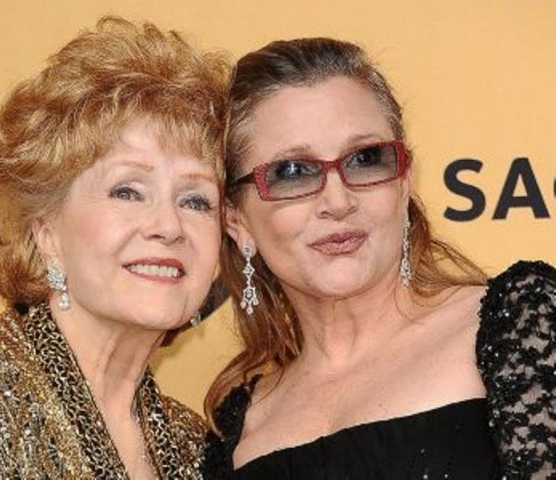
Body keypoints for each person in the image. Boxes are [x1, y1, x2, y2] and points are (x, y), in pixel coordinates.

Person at [203, 37, 555, 479]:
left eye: (366, 159)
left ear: (404, 182)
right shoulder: (236, 427)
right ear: (237, 220)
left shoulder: (521, 324)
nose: (338, 201)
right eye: (292, 171)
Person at [0, 16, 228, 479]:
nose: (169, 226)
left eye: (195, 200)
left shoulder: (196, 448)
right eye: (128, 191)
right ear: (46, 233)